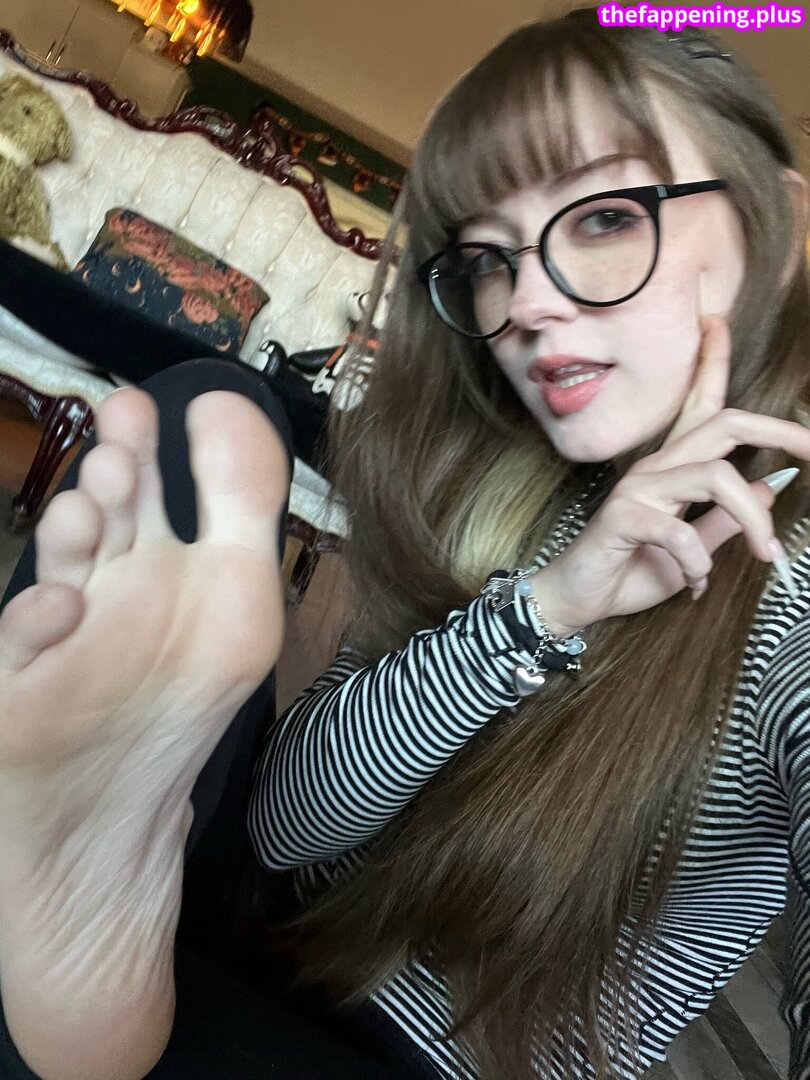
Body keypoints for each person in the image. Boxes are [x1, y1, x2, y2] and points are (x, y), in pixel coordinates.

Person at [0, 7, 808, 1080]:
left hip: (428, 1061)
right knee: (207, 409)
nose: (524, 303)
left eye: (607, 217)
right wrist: (545, 607)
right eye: (487, 258)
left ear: (780, 232)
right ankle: (100, 873)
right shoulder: (508, 481)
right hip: (261, 920)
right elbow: (286, 828)